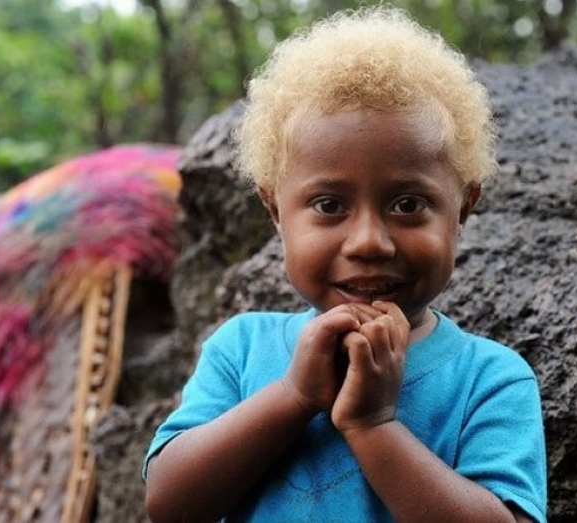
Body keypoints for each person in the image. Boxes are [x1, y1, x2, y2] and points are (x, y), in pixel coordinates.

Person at [142, 6, 547, 523]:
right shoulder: (241, 350)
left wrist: (373, 426)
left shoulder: (490, 379)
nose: (368, 242)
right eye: (330, 205)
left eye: (407, 205)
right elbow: (169, 503)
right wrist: (293, 395)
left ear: (463, 209)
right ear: (275, 212)